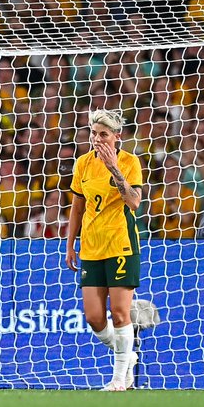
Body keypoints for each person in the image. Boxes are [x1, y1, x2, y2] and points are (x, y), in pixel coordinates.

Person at [66, 109, 143, 391]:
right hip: (91, 246)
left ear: (116, 137)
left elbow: (134, 203)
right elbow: (77, 207)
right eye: (94, 133)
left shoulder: (129, 162)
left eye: (104, 135)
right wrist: (70, 243)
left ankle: (118, 379)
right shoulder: (83, 164)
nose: (97, 139)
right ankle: (127, 356)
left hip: (121, 244)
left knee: (120, 313)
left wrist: (115, 170)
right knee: (94, 317)